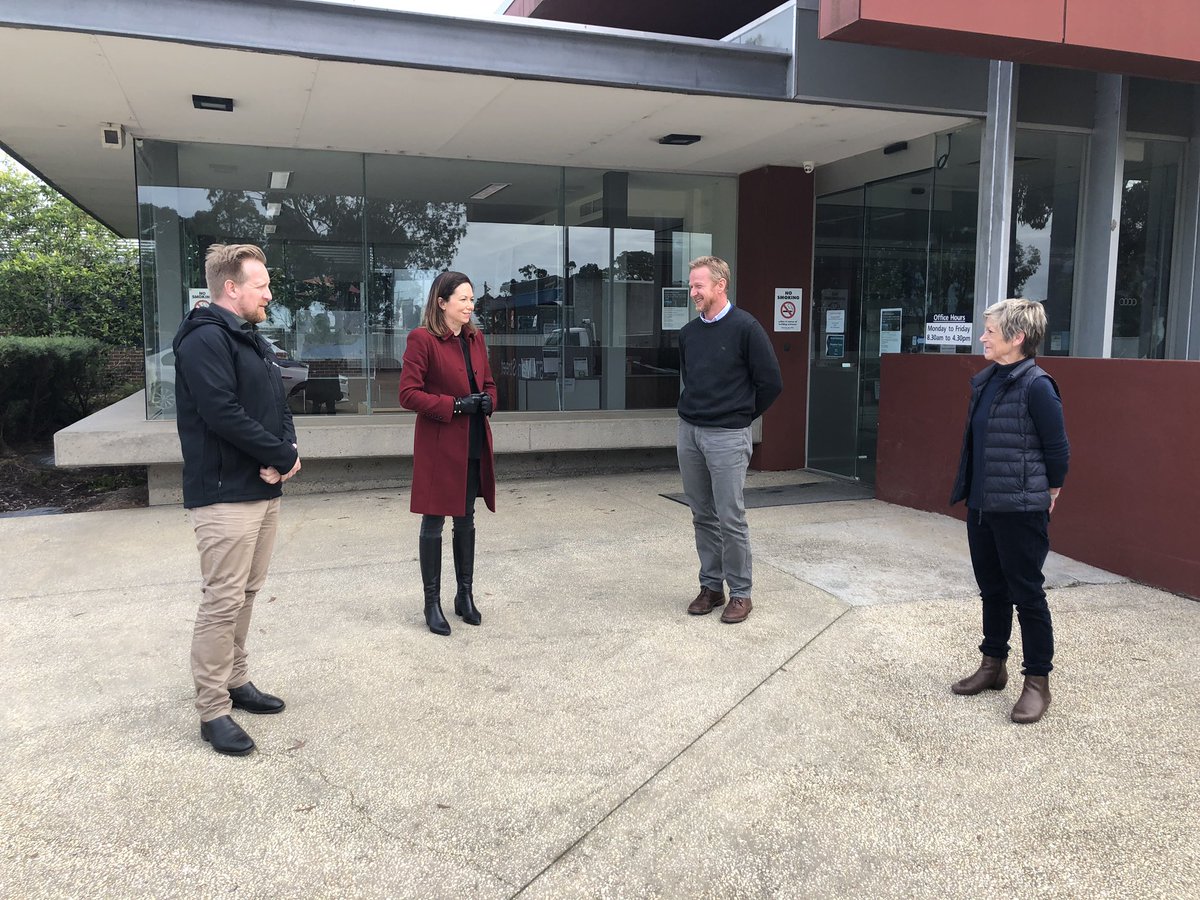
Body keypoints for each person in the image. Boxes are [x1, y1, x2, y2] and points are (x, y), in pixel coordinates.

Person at [173, 244, 301, 756]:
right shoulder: (204, 339)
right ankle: (212, 710)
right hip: (224, 494)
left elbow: (277, 401)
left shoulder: (249, 339)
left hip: (262, 486)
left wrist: (287, 453)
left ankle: (236, 681)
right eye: (262, 285)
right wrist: (277, 453)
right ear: (232, 288)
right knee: (222, 599)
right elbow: (221, 413)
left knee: (247, 592)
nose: (269, 293)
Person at [949, 298, 1069, 724]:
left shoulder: (1037, 385)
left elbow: (1057, 447)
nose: (982, 337)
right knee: (992, 589)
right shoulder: (988, 381)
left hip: (1020, 508)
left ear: (1016, 338)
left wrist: (1051, 489)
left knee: (1027, 594)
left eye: (990, 331)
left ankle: (1037, 682)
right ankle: (992, 665)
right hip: (983, 503)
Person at [677, 256, 783, 625]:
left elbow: (771, 383)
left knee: (730, 516)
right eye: (691, 286)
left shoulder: (746, 328)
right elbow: (690, 378)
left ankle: (741, 592)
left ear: (720, 285)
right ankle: (711, 587)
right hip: (690, 433)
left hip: (728, 436)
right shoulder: (689, 333)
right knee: (701, 514)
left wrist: (741, 418)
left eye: (698, 286)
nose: (693, 292)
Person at [398, 271, 498, 635]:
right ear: (442, 303)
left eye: (472, 300)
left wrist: (488, 401)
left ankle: (464, 596)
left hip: (472, 441)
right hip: (440, 445)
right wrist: (456, 405)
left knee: (466, 518)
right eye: (464, 300)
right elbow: (408, 394)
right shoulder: (422, 339)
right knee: (434, 522)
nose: (470, 306)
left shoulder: (476, 338)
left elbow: (488, 384)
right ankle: (431, 603)